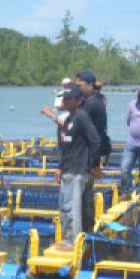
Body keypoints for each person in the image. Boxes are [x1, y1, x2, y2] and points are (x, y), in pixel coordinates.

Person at [52, 87, 102, 251]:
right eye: (63, 99)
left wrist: (94, 165)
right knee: (83, 206)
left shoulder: (81, 117)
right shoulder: (68, 120)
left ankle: (71, 241)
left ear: (78, 100)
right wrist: (60, 167)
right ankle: (85, 236)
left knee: (69, 207)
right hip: (69, 168)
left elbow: (95, 140)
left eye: (68, 99)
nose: (65, 102)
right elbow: (67, 148)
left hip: (78, 170)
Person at [75, 70, 110, 232]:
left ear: (90, 85)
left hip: (88, 157)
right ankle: (84, 229)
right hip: (84, 155)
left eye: (80, 86)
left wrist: (94, 163)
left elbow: (97, 136)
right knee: (82, 195)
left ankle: (86, 231)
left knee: (85, 196)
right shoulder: (88, 101)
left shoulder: (92, 104)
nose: (78, 88)